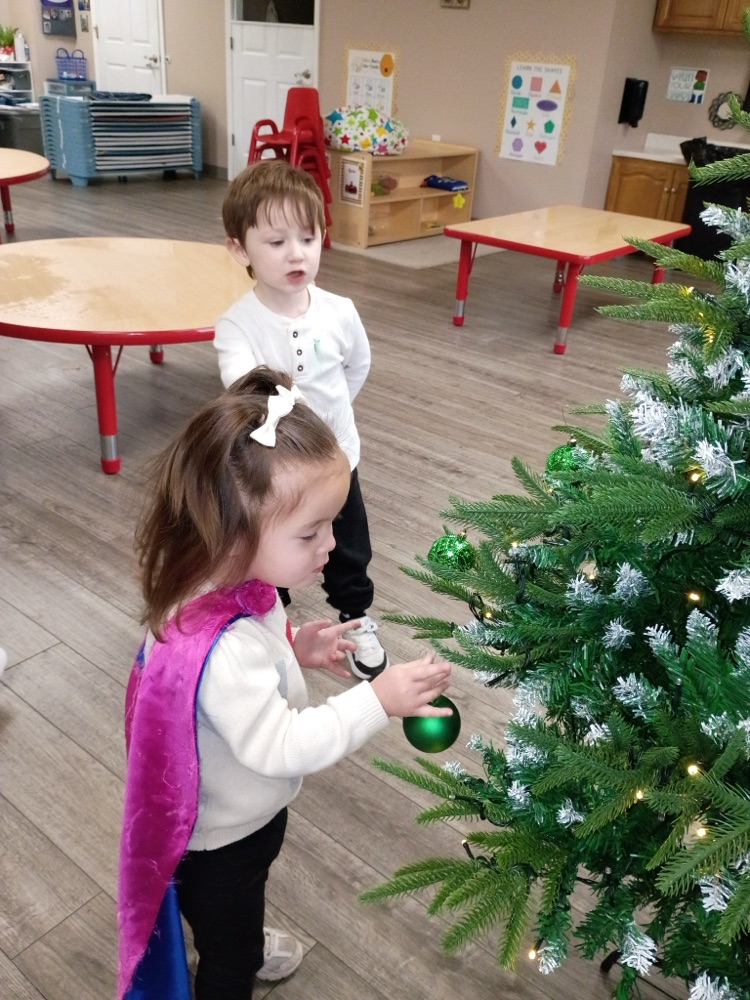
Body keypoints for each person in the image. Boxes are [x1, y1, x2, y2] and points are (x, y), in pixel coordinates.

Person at [117, 367, 453, 1000]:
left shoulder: (234, 582)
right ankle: (230, 951)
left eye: (331, 524)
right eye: (310, 533)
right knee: (230, 947)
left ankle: (228, 929)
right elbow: (280, 745)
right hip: (221, 838)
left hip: (235, 812)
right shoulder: (221, 647)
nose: (331, 546)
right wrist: (376, 700)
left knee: (236, 903)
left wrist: (294, 650)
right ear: (232, 528)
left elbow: (229, 687)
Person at [214, 159, 388, 680]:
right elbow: (247, 391)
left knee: (349, 545)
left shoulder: (340, 310)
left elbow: (356, 367)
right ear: (239, 249)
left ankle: (356, 616)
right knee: (273, 550)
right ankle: (272, 624)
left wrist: (331, 425)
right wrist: (294, 428)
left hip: (339, 461)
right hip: (275, 472)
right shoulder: (237, 325)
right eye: (276, 241)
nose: (297, 252)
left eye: (308, 238)